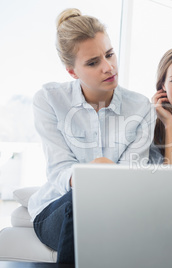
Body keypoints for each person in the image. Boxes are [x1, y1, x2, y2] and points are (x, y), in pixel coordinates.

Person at [27, 8, 154, 263]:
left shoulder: (141, 107)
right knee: (83, 201)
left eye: (110, 54)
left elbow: (132, 174)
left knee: (100, 208)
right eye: (93, 63)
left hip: (117, 209)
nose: (109, 67)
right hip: (58, 209)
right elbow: (59, 170)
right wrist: (91, 175)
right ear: (72, 72)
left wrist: (107, 178)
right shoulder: (49, 100)